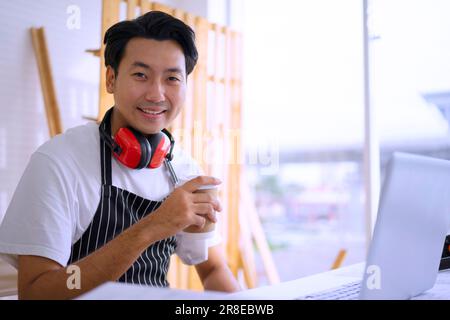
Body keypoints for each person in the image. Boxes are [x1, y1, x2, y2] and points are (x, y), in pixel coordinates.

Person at [0, 11, 240, 299]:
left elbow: (213, 270)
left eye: (172, 78)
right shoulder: (58, 163)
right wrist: (152, 226)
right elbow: (36, 293)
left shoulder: (185, 171)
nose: (156, 93)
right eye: (141, 75)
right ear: (111, 79)